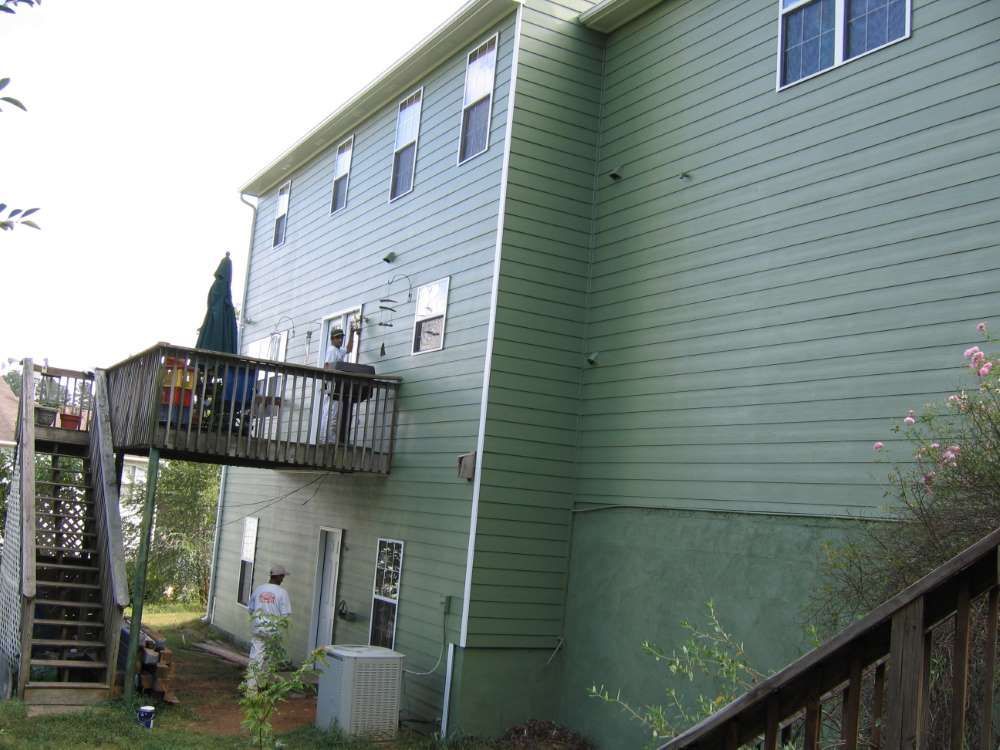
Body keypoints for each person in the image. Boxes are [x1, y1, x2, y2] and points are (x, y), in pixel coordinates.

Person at [246, 565, 292, 690]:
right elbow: (285, 616)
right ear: (277, 576)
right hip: (273, 631)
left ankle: (253, 688)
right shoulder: (282, 593)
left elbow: (250, 609)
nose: (283, 579)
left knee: (256, 658)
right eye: (282, 576)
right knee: (269, 658)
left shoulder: (259, 589)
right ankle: (261, 686)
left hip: (258, 629)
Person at [321, 325, 356, 443]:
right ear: (332, 339)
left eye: (341, 337)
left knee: (332, 413)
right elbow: (327, 366)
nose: (340, 340)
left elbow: (349, 349)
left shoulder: (338, 350)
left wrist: (352, 333)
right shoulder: (332, 351)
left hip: (336, 385)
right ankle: (327, 440)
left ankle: (328, 439)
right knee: (331, 414)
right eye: (337, 338)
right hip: (332, 385)